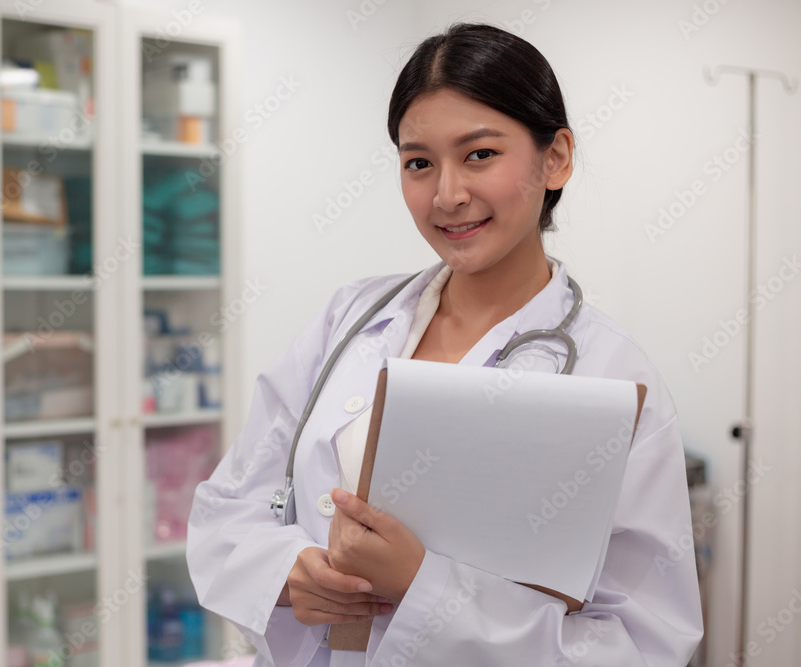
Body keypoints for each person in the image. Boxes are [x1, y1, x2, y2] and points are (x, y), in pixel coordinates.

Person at [186, 22, 704, 666]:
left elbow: (642, 644)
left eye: (480, 154)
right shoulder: (349, 319)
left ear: (556, 158)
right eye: (418, 162)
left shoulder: (614, 376)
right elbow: (226, 507)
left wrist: (424, 590)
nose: (447, 194)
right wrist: (287, 572)